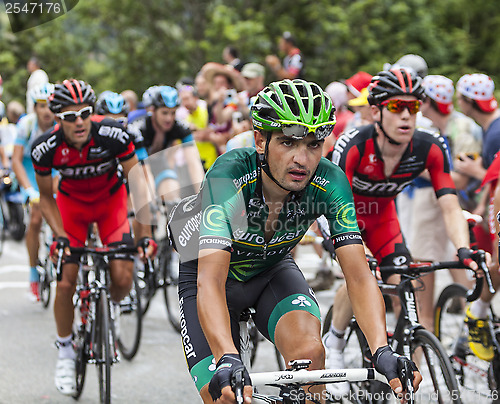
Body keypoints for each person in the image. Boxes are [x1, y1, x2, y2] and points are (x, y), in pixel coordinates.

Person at [168, 79, 421, 404]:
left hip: (272, 271)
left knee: (311, 355)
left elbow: (358, 276)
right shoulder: (229, 175)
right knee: (225, 396)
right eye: (288, 143)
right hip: (212, 278)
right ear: (261, 140)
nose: (302, 158)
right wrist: (227, 356)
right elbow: (211, 281)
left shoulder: (329, 182)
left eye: (314, 144)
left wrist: (382, 351)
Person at [323, 68, 480, 399]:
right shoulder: (353, 144)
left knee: (403, 281)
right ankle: (334, 340)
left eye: (413, 107)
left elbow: (450, 205)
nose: (407, 115)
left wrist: (463, 249)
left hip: (382, 220)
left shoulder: (430, 146)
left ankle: (395, 354)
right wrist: (354, 249)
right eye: (397, 107)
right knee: (359, 272)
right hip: (344, 215)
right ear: (377, 110)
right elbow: (333, 203)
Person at [30, 79, 156, 396]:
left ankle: (107, 310)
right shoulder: (45, 148)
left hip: (110, 204)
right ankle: (64, 351)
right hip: (71, 208)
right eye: (70, 117)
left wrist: (145, 234)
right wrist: (58, 236)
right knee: (66, 279)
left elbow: (138, 182)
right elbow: (46, 198)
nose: (79, 122)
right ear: (57, 118)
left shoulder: (113, 133)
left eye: (85, 113)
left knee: (124, 277)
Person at [400, 74, 483, 331]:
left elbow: (462, 179)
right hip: (435, 201)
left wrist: (421, 168)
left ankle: (464, 329)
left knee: (435, 264)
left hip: (449, 203)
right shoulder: (440, 125)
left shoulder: (462, 128)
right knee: (454, 263)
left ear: (429, 102)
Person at [454, 73, 500, 361]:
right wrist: (484, 205)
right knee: (497, 264)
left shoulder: (494, 130)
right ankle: (477, 313)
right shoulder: (491, 130)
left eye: (461, 98)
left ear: (469, 101)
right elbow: (494, 177)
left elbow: (489, 175)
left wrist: (473, 174)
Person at [11, 83, 56, 301]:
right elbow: (16, 161)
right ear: (35, 108)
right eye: (41, 106)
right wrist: (28, 190)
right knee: (36, 218)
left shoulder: (61, 124)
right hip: (31, 172)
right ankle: (32, 271)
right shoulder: (26, 125)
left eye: (50, 106)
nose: (47, 111)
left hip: (54, 171)